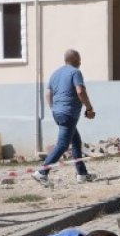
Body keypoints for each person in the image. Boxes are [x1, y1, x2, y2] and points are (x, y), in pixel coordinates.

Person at [35, 49, 95, 184]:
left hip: (58, 112)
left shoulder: (55, 73)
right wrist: (89, 108)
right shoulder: (75, 72)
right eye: (79, 59)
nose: (80, 62)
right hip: (69, 113)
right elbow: (80, 91)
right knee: (62, 145)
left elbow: (48, 94)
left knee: (76, 142)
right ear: (75, 60)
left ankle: (82, 174)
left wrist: (53, 109)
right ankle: (42, 172)